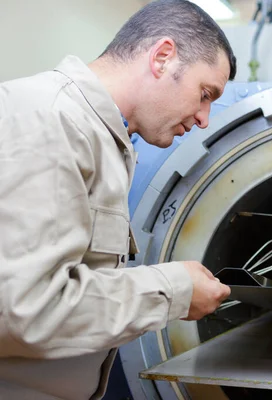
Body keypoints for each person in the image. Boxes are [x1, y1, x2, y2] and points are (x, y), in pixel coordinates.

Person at [0, 1, 235, 399]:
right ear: (162, 57)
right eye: (204, 93)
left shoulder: (106, 140)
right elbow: (25, 310)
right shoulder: (50, 119)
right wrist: (173, 290)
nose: (204, 119)